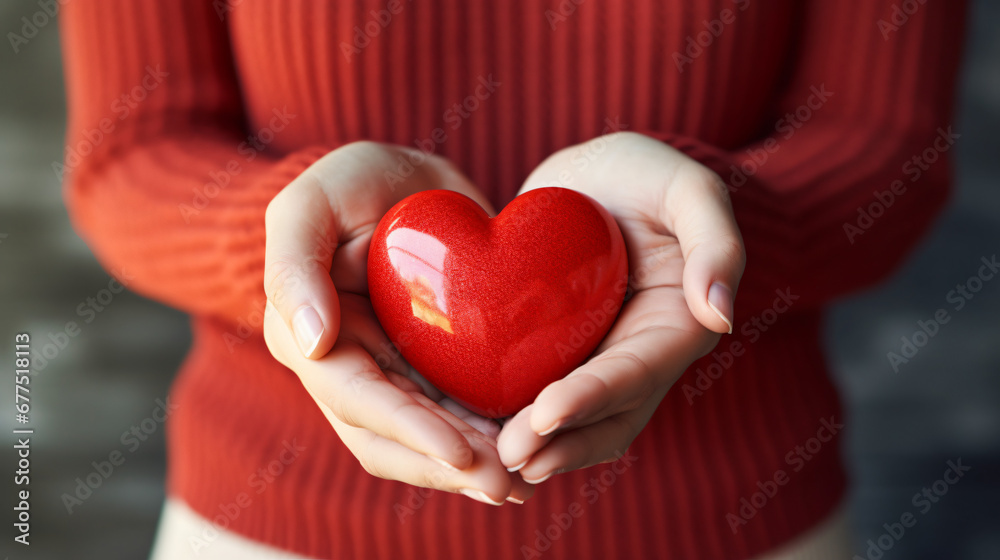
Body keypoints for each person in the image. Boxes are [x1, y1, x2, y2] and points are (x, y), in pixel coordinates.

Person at [59, 1, 966, 558]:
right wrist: (281, 245)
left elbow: (888, 146)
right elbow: (133, 152)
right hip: (275, 526)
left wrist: (715, 224)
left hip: (732, 524)